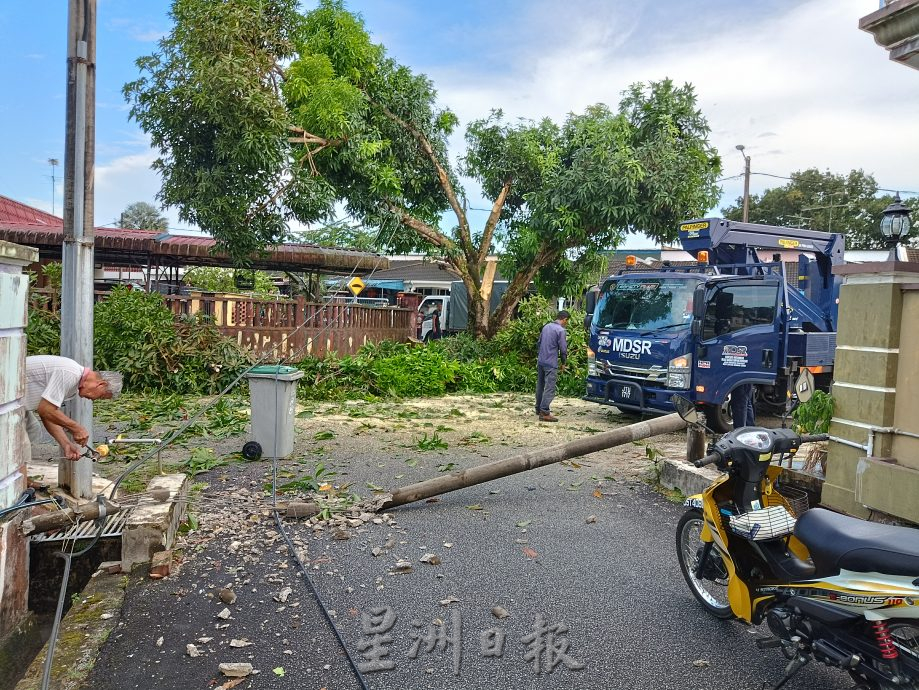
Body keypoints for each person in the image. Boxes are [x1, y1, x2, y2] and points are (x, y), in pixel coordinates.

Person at [24, 355, 122, 460]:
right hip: (10, 399)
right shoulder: (70, 374)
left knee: (32, 429)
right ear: (101, 384)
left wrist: (66, 444)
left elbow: (48, 414)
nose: (93, 399)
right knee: (22, 447)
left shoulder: (73, 385)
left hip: (17, 402)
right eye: (100, 396)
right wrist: (76, 428)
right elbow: (46, 410)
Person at [535, 311, 569, 423]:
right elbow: (563, 349)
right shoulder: (560, 331)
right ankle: (544, 412)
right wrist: (563, 363)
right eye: (567, 321)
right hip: (551, 363)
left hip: (541, 361)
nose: (566, 323)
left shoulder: (546, 327)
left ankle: (538, 408)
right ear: (564, 319)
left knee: (540, 385)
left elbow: (539, 343)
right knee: (550, 388)